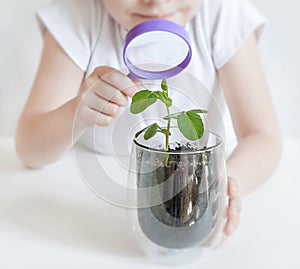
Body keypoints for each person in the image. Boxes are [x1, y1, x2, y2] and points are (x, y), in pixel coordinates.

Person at [15, 0, 282, 245]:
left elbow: (262, 137)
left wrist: (218, 187)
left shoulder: (224, 16)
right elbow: (30, 148)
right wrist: (78, 112)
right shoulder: (77, 18)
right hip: (91, 210)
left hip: (202, 178)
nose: (157, 2)